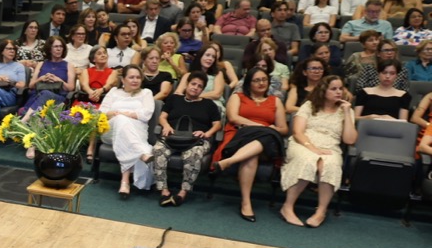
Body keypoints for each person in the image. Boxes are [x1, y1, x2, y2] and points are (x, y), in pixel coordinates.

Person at [211, 67, 289, 222]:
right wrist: (262, 127)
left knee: (265, 138)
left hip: (266, 142)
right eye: (256, 80)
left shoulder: (275, 101)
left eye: (264, 79)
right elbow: (233, 118)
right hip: (240, 135)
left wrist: (269, 130)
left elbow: (284, 129)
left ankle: (229, 162)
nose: (261, 83)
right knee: (253, 155)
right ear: (248, 83)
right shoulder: (238, 97)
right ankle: (246, 202)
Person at [279, 75, 357, 227]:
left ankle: (321, 212)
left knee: (330, 165)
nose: (339, 92)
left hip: (330, 147)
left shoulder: (346, 110)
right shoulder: (309, 105)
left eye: (341, 88)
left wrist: (347, 112)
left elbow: (349, 140)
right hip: (303, 143)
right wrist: (314, 149)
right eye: (333, 89)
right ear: (323, 90)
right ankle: (287, 207)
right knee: (308, 159)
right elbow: (298, 132)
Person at [151, 71, 222, 206]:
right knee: (158, 150)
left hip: (197, 140)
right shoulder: (174, 99)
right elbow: (162, 117)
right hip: (172, 137)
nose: (195, 88)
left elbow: (217, 124)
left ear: (202, 89)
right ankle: (164, 191)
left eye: (199, 86)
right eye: (193, 84)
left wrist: (207, 133)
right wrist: (166, 126)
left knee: (193, 154)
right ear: (187, 84)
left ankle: (182, 193)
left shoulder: (209, 104)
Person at [99, 64, 155, 196]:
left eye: (138, 77)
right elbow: (102, 112)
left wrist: (123, 114)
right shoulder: (114, 92)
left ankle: (125, 181)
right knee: (120, 120)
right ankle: (141, 153)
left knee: (122, 121)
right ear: (123, 79)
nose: (135, 80)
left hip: (137, 131)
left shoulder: (146, 93)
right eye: (131, 77)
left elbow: (146, 114)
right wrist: (117, 114)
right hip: (110, 131)